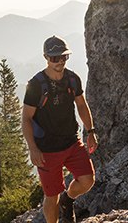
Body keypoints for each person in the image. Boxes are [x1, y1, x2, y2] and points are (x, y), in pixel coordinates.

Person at [23, 36, 98, 223]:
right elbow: (26, 118)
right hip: (47, 149)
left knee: (87, 180)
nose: (60, 61)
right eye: (55, 58)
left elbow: (81, 105)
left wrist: (90, 132)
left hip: (72, 142)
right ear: (46, 57)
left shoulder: (72, 79)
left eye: (63, 57)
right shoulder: (36, 85)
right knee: (51, 195)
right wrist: (33, 148)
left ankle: (68, 199)